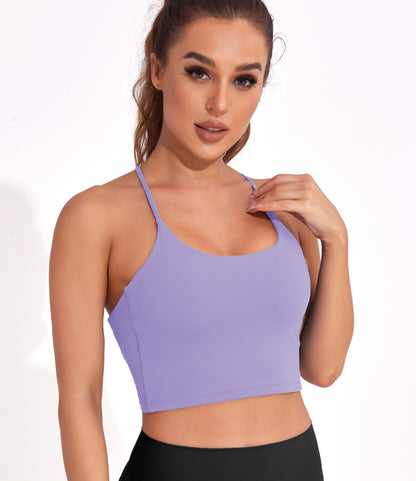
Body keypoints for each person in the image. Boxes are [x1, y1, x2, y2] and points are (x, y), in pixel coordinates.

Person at [49, 1, 354, 480]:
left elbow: (323, 368)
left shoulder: (286, 210)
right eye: (199, 73)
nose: (220, 104)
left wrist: (337, 240)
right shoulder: (97, 216)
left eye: (244, 80)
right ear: (157, 69)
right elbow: (80, 398)